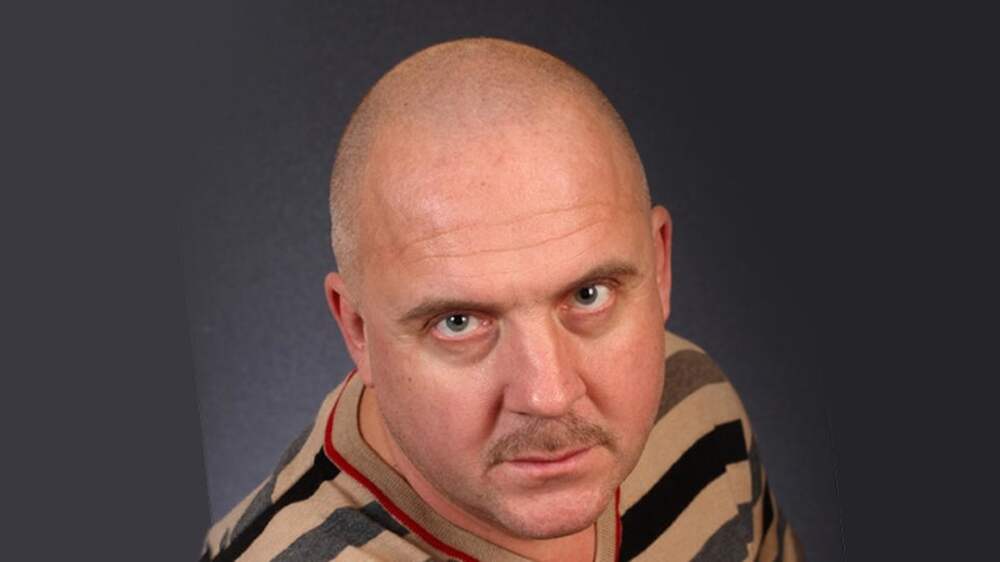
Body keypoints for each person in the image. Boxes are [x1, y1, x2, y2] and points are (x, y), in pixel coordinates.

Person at [201, 38, 802, 562]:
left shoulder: (696, 410)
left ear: (660, 266)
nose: (548, 395)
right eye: (459, 322)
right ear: (357, 330)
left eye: (588, 295)